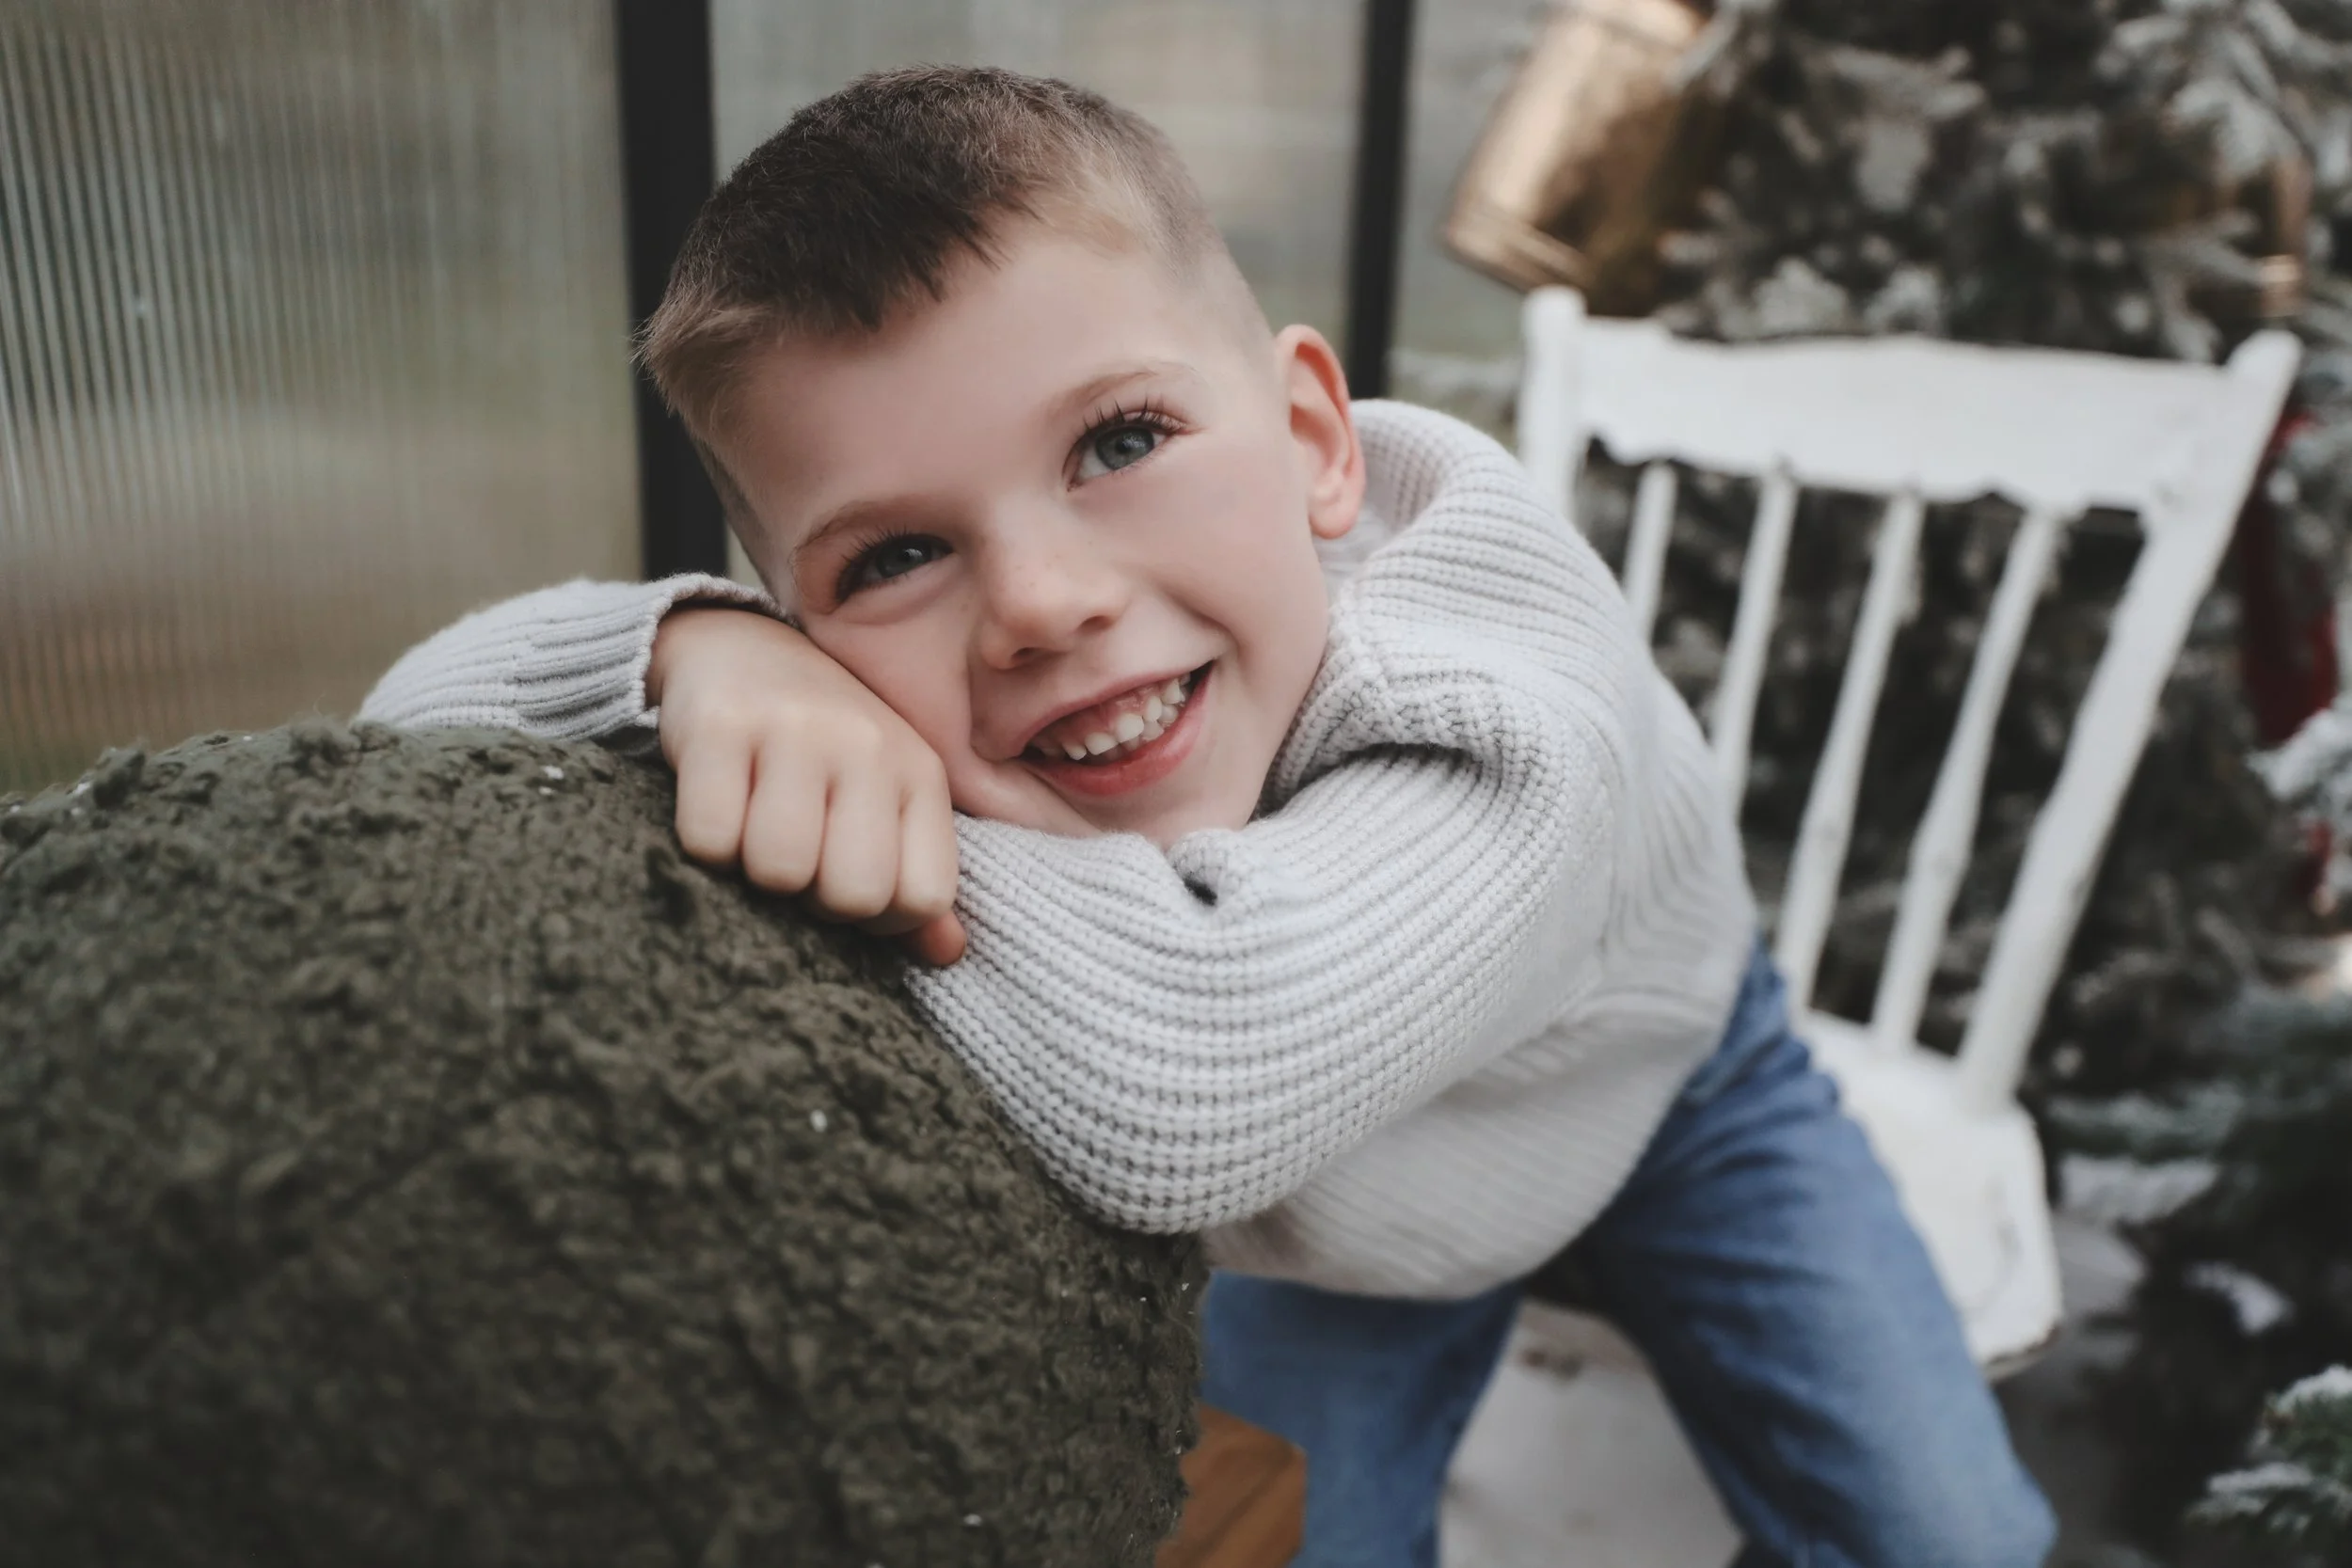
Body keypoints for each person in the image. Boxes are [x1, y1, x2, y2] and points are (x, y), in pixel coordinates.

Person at [362, 64, 2055, 1568]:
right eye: (893, 554)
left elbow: (1188, 1080)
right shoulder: (831, 660)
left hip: (1661, 1082)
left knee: (1951, 1536)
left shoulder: (1506, 676)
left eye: (1120, 439)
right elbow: (394, 747)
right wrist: (686, 653)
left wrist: (866, 842)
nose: (1038, 600)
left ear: (1317, 437)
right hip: (1360, 1223)